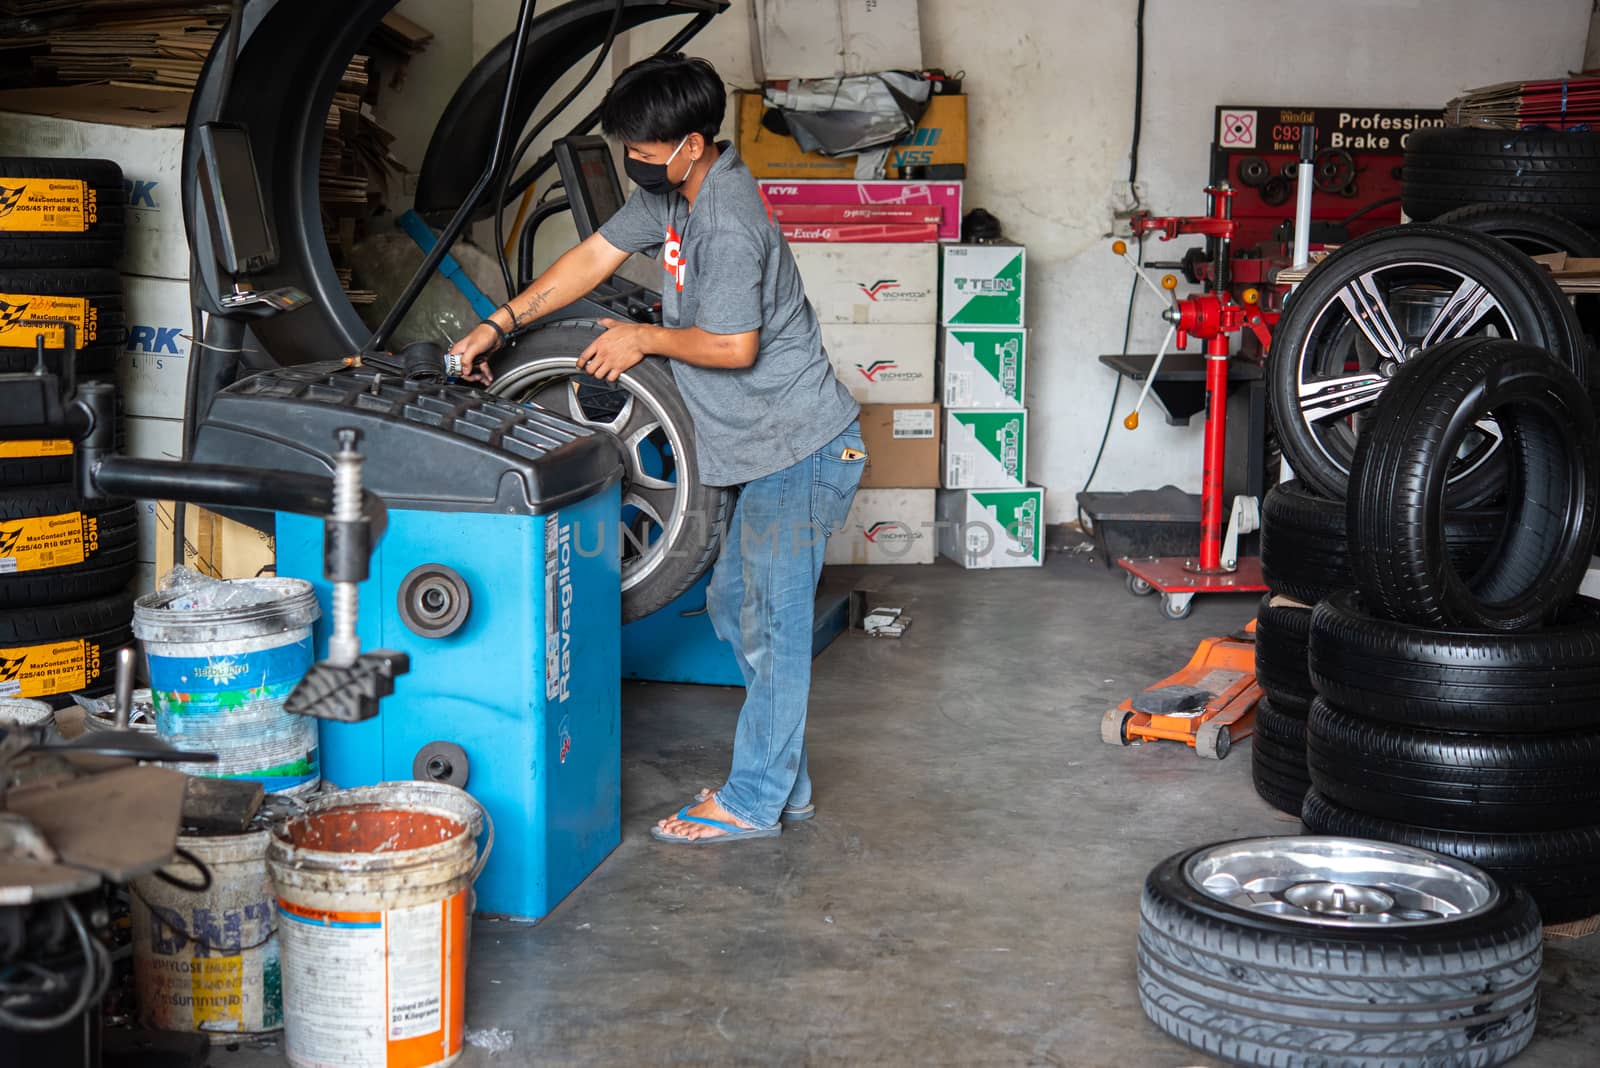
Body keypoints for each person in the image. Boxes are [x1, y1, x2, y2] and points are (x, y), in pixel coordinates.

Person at [448, 54, 864, 844]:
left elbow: (734, 345)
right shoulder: (675, 198)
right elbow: (590, 260)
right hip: (763, 449)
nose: (631, 162)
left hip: (801, 450)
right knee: (733, 605)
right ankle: (788, 784)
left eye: (644, 150)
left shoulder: (729, 220)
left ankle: (752, 801)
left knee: (771, 627)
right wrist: (498, 325)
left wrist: (642, 337)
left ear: (693, 144)